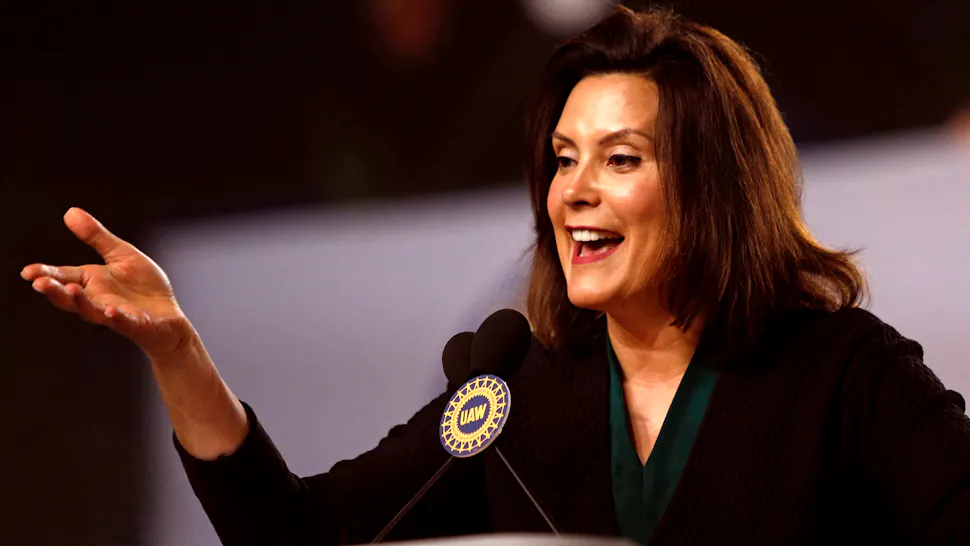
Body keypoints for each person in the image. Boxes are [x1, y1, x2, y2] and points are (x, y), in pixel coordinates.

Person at [21, 7, 970, 546]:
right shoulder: (519, 389)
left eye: (620, 160)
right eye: (562, 159)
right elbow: (296, 541)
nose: (574, 194)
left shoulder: (846, 372)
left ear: (717, 185)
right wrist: (179, 351)